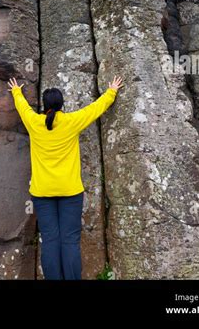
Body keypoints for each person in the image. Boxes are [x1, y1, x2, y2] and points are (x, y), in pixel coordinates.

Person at [7, 74, 123, 280]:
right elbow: (95, 109)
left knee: (50, 239)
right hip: (70, 191)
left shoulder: (34, 122)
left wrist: (17, 91)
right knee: (69, 240)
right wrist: (111, 90)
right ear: (62, 105)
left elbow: (22, 108)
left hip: (42, 193)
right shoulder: (71, 121)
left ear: (44, 106)